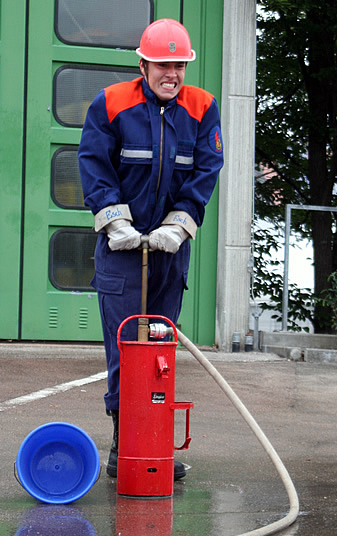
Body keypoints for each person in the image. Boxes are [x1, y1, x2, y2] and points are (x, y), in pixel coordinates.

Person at [78, 18, 224, 480]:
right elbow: (94, 164)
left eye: (179, 65)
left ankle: (156, 445)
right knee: (125, 347)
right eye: (163, 64)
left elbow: (205, 171)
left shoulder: (203, 108)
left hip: (168, 251)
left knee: (159, 350)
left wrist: (180, 226)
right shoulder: (111, 103)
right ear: (143, 64)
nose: (172, 74)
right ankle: (126, 446)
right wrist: (113, 219)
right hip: (121, 253)